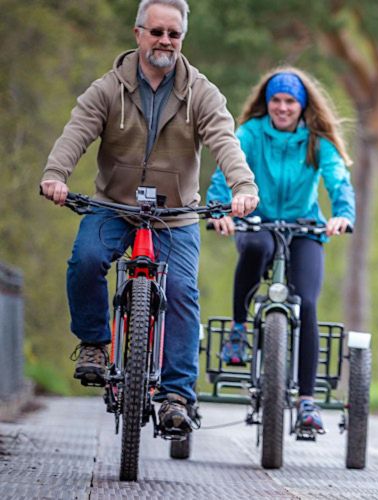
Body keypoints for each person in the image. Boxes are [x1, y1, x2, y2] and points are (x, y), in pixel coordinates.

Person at [39, 0, 259, 435]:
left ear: (182, 40)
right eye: (157, 31)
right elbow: (77, 131)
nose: (165, 41)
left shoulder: (201, 92)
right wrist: (54, 175)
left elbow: (224, 140)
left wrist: (243, 187)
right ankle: (95, 345)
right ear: (138, 33)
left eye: (173, 34)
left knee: (180, 292)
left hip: (176, 214)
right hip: (114, 206)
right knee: (85, 260)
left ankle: (176, 396)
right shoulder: (107, 89)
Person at [207, 67, 355, 433]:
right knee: (255, 247)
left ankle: (307, 401)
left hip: (303, 227)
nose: (283, 107)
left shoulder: (317, 141)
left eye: (290, 101)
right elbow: (227, 169)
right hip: (256, 222)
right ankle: (239, 331)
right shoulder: (251, 134)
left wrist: (342, 214)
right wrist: (218, 209)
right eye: (276, 100)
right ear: (267, 102)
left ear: (302, 106)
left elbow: (338, 179)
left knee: (306, 302)